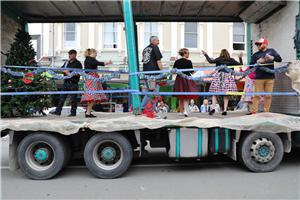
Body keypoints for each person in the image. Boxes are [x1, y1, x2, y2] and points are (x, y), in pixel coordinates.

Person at [202, 49, 243, 116]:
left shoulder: (219, 59)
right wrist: (240, 58)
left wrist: (205, 54)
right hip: (227, 77)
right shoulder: (231, 59)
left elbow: (210, 61)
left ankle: (213, 108)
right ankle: (224, 110)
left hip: (219, 76)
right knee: (226, 94)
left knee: (214, 93)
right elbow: (240, 65)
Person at [249, 38, 282, 115]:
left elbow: (279, 59)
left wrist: (272, 58)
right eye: (257, 45)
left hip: (270, 77)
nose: (258, 46)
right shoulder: (255, 54)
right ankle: (254, 112)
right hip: (259, 77)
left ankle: (266, 112)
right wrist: (257, 62)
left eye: (260, 44)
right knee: (256, 95)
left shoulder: (272, 51)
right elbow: (250, 66)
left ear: (265, 44)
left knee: (268, 96)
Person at [50, 49, 82, 117]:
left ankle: (73, 112)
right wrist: (64, 71)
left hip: (73, 83)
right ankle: (58, 111)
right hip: (66, 82)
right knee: (62, 98)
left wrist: (70, 74)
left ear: (75, 55)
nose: (69, 55)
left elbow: (80, 73)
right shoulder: (66, 62)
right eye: (69, 54)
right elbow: (61, 70)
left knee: (74, 99)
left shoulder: (78, 63)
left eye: (71, 54)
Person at [81, 48, 113, 117]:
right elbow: (99, 63)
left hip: (90, 78)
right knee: (93, 96)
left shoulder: (87, 59)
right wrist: (108, 62)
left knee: (92, 96)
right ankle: (88, 112)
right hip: (92, 78)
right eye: (95, 53)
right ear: (92, 52)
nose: (96, 54)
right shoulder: (91, 59)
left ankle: (88, 112)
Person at [141, 36, 163, 119]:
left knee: (149, 91)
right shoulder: (155, 48)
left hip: (146, 73)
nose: (159, 42)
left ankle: (145, 109)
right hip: (153, 74)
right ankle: (148, 110)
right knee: (154, 92)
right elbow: (158, 61)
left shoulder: (145, 49)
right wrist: (163, 72)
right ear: (153, 41)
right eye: (158, 40)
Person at [173, 48, 199, 117]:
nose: (188, 54)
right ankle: (185, 111)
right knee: (186, 96)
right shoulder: (188, 62)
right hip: (186, 79)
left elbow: (174, 71)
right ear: (184, 54)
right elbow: (192, 73)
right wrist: (197, 69)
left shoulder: (177, 62)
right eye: (188, 53)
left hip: (179, 79)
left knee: (180, 96)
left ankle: (181, 112)